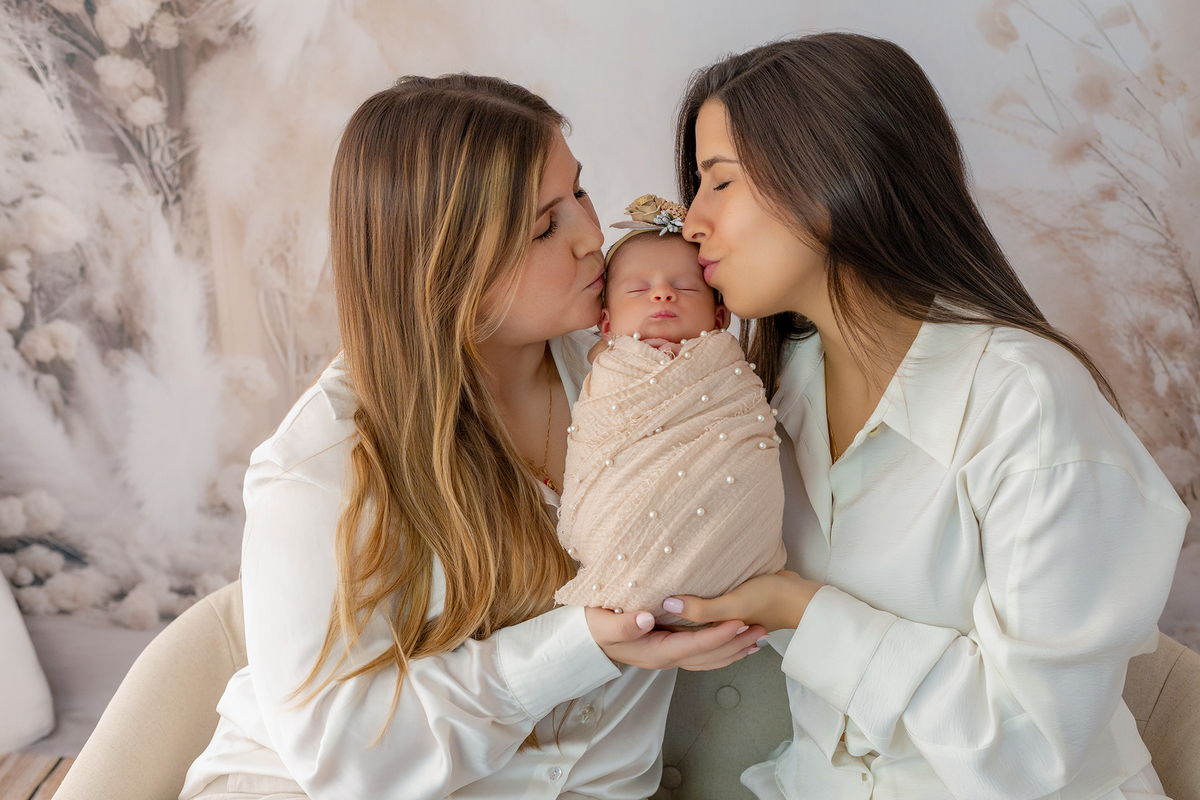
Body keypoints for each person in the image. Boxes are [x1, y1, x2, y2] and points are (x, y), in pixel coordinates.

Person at [177, 74, 766, 800]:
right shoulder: (320, 467)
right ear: (446, 268)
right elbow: (345, 757)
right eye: (545, 226)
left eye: (579, 193)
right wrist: (577, 646)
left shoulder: (643, 376)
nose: (592, 238)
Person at [664, 33, 1189, 799]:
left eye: (719, 183)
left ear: (830, 173)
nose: (690, 223)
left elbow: (1032, 747)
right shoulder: (772, 397)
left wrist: (802, 611)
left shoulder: (1026, 403)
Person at [554, 194, 786, 627]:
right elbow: (599, 438)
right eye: (639, 289)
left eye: (684, 287)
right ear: (606, 325)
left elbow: (746, 436)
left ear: (719, 319)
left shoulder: (725, 369)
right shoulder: (607, 370)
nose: (662, 293)